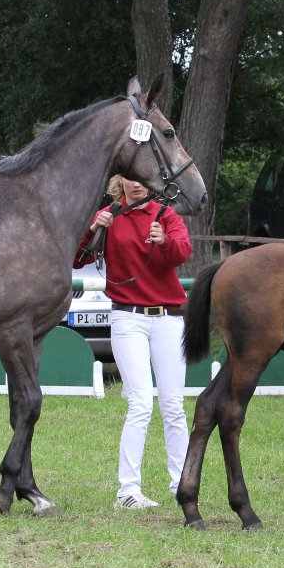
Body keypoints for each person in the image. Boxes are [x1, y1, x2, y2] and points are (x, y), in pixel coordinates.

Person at [75, 175, 192, 509]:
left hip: (168, 318)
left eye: (143, 179)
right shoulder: (110, 216)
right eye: (130, 178)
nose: (137, 184)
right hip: (127, 318)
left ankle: (182, 486)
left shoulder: (165, 215)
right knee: (140, 403)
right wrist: (94, 227)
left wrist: (163, 242)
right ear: (119, 181)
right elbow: (77, 258)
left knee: (173, 405)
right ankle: (128, 491)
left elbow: (183, 253)